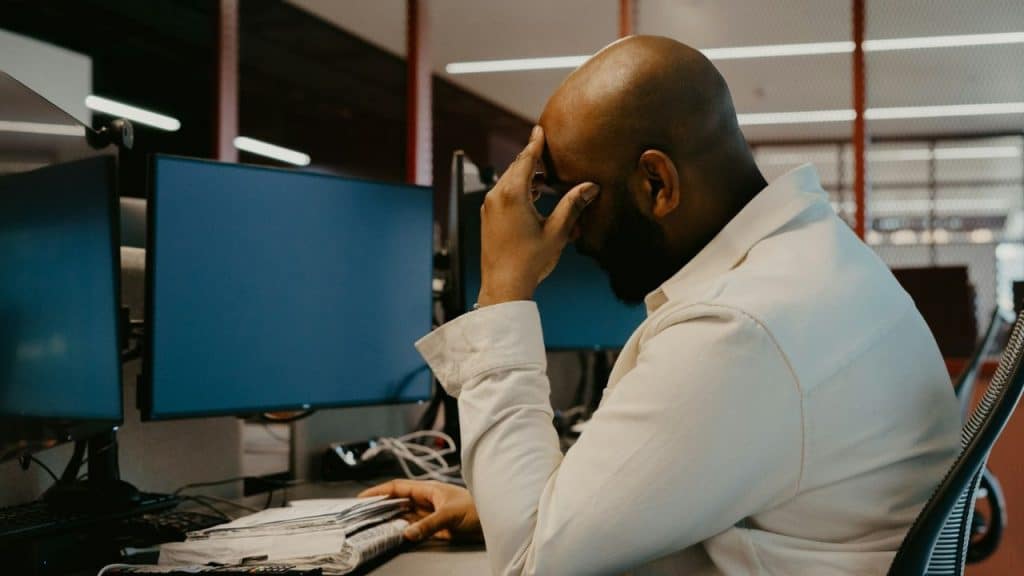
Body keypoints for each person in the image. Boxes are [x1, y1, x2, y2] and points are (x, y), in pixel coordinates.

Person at [362, 35, 959, 575]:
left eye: (578, 201)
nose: (568, 235)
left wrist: (502, 293)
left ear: (657, 185)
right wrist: (525, 508)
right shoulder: (811, 262)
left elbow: (527, 565)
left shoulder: (739, 328)